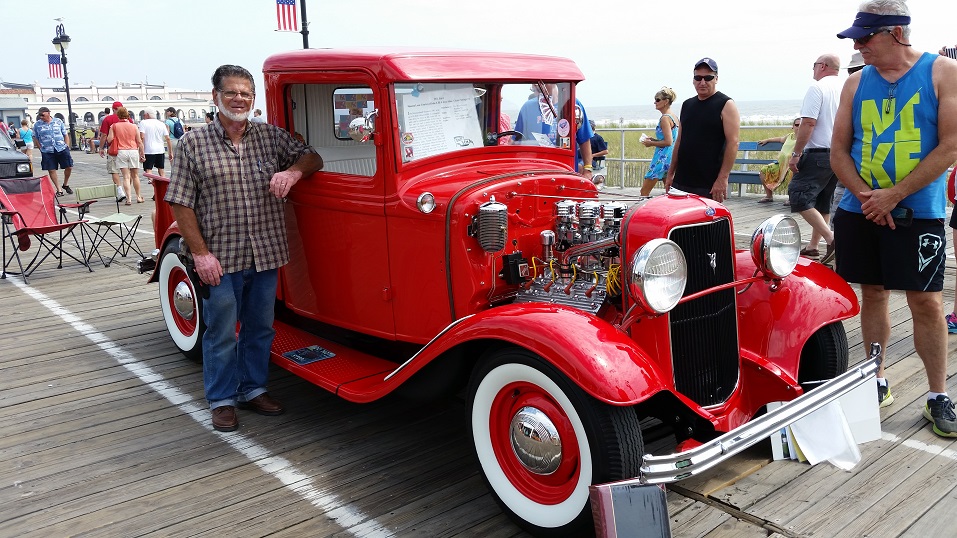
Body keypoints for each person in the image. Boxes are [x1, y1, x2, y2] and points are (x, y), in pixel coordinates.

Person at [166, 64, 323, 432]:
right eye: (232, 93)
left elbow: (313, 156)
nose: (239, 99)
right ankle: (221, 398)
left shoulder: (271, 137)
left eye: (246, 94)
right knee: (221, 330)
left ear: (254, 99)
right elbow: (180, 203)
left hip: (265, 251)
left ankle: (252, 389)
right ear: (216, 97)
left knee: (260, 327)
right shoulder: (194, 143)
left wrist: (293, 172)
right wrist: (201, 255)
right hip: (219, 256)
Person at [832, 2, 957, 437]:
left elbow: (950, 145)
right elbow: (838, 151)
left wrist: (896, 195)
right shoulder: (854, 83)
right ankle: (875, 378)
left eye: (865, 37)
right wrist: (870, 199)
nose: (859, 45)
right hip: (862, 208)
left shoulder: (941, 72)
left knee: (926, 302)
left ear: (897, 33)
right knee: (874, 294)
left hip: (917, 210)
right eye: (855, 39)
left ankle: (937, 394)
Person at [786, 54, 842, 263]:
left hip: (818, 152)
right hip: (838, 153)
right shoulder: (845, 87)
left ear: (823, 66)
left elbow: (808, 122)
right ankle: (813, 246)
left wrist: (796, 153)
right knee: (823, 200)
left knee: (798, 196)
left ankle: (832, 239)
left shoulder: (817, 88)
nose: (813, 71)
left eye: (814, 66)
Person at [665, 58, 740, 202]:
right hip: (682, 180)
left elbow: (733, 143)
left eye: (708, 78)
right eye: (698, 78)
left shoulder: (726, 104)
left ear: (716, 78)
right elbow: (679, 141)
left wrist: (722, 178)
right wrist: (670, 174)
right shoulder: (687, 105)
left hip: (708, 183)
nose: (702, 82)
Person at [514, 84, 597, 186]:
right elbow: (516, 140)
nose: (537, 84)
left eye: (543, 81)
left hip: (566, 171)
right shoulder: (527, 107)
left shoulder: (573, 104)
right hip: (535, 173)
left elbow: (584, 138)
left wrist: (587, 169)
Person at [641, 87, 679, 197]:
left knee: (644, 191)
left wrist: (651, 143)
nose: (655, 102)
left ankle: (643, 212)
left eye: (657, 100)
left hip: (662, 158)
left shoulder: (665, 118)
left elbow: (668, 142)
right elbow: (672, 139)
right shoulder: (674, 117)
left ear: (666, 101)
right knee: (670, 192)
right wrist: (654, 140)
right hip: (671, 157)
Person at [107, 107, 146, 205]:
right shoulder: (134, 126)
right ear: (128, 115)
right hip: (133, 151)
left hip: (121, 151)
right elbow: (139, 141)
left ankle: (128, 199)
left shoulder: (114, 126)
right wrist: (142, 153)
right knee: (135, 176)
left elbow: (109, 139)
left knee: (126, 177)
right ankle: (138, 196)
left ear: (118, 115)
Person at [32, 107, 74, 196]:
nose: (41, 117)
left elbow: (65, 134)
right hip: (47, 150)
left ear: (48, 113)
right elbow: (35, 137)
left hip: (61, 147)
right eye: (39, 115)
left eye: (42, 115)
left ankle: (65, 184)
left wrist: (66, 145)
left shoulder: (58, 121)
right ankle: (59, 189)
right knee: (51, 169)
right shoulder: (37, 125)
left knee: (69, 166)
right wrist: (41, 149)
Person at [757, 118, 800, 203]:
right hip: (780, 165)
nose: (799, 127)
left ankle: (791, 199)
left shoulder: (804, 139)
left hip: (792, 165)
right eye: (797, 125)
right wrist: (767, 140)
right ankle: (769, 196)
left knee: (791, 175)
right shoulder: (789, 136)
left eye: (801, 125)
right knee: (764, 171)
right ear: (793, 126)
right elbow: (780, 139)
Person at [99, 101, 132, 202]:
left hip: (113, 149)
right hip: (128, 148)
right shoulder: (129, 120)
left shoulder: (108, 119)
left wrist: (101, 148)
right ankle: (128, 191)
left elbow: (104, 135)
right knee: (127, 172)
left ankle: (119, 189)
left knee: (114, 170)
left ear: (113, 109)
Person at [139, 111, 173, 178]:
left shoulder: (143, 122)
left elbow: (142, 137)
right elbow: (168, 138)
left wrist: (141, 151)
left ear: (147, 115)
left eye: (144, 115)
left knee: (148, 169)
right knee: (161, 169)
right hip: (160, 149)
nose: (143, 116)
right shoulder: (161, 123)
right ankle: (163, 184)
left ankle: (152, 182)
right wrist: (170, 152)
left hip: (148, 150)